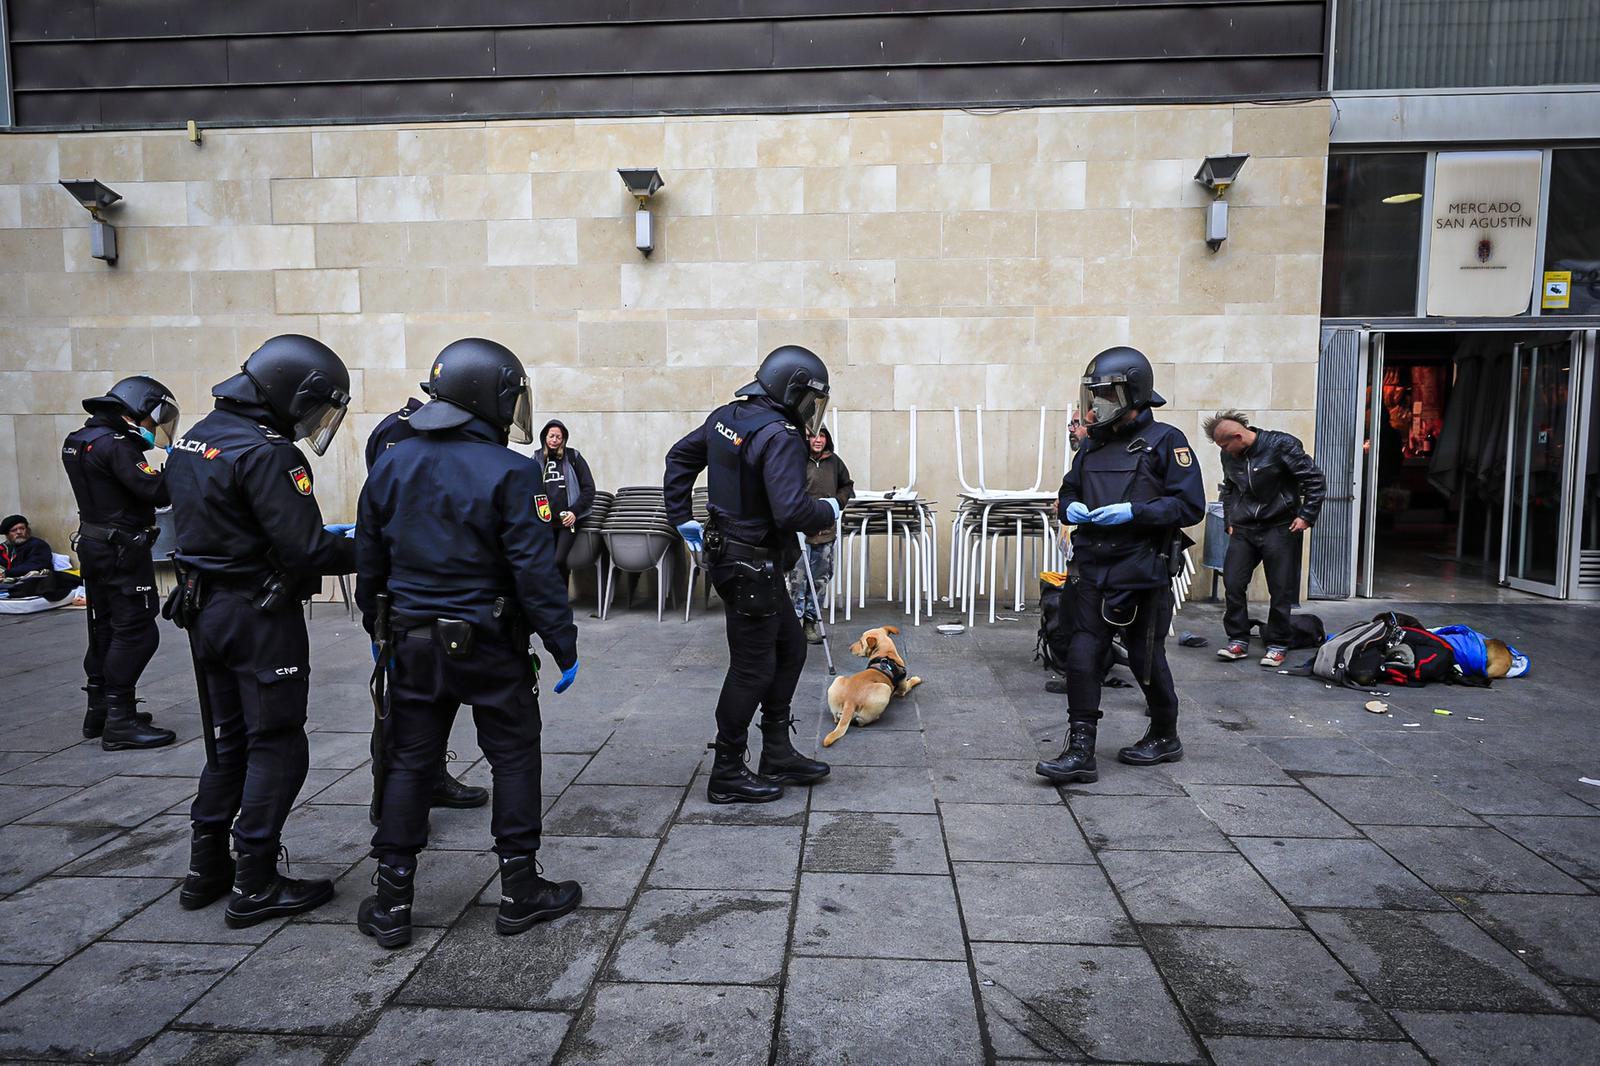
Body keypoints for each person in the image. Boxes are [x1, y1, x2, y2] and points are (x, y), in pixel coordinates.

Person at [355, 339, 582, 948]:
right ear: (489, 396)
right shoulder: (513, 470)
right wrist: (563, 642)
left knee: (408, 760)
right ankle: (519, 889)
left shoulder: (391, 462)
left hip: (412, 641)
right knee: (512, 755)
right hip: (488, 643)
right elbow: (534, 572)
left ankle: (393, 899)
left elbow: (368, 560)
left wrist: (379, 628)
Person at [164, 335, 357, 927]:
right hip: (258, 615)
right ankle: (255, 881)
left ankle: (206, 868)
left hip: (205, 611)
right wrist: (373, 544)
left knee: (227, 740)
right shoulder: (270, 452)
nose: (308, 421)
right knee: (277, 742)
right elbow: (303, 550)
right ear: (286, 391)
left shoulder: (199, 436)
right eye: (311, 405)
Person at [664, 345, 839, 804]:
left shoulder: (730, 415)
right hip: (751, 565)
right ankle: (726, 770)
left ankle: (776, 752)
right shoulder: (780, 433)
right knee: (752, 668)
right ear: (791, 389)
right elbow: (790, 511)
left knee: (790, 646)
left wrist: (682, 514)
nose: (809, 409)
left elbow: (680, 457)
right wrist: (830, 507)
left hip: (736, 558)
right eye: (808, 397)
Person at [1036, 346, 1204, 784]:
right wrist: (1069, 509)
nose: (1098, 406)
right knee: (1083, 654)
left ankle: (1165, 735)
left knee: (1147, 657)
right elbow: (1068, 491)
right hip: (1092, 565)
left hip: (1142, 567)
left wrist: (1135, 512)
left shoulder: (1167, 440)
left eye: (1107, 395)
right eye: (1095, 396)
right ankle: (1080, 748)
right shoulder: (1092, 446)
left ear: (1133, 393)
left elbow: (1190, 506)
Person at [365, 391, 487, 815]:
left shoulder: (410, 426)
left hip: (421, 598)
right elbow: (381, 526)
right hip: (409, 600)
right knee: (401, 715)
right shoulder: (401, 430)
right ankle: (390, 801)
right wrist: (374, 618)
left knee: (433, 703)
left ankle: (429, 781)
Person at [60, 376, 182, 748]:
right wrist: (179, 465)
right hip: (122, 550)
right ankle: (120, 721)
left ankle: (100, 709)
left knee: (105, 628)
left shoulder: (78, 440)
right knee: (138, 632)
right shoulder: (117, 446)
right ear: (135, 411)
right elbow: (156, 490)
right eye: (151, 419)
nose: (153, 428)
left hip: (95, 544)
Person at [1204, 410, 1326, 668]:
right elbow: (1229, 487)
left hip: (1279, 526)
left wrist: (1306, 516)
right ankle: (1238, 639)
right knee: (1234, 583)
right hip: (1244, 528)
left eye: (1226, 444)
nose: (1224, 450)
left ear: (1238, 436)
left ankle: (1278, 643)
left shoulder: (1281, 445)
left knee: (1281, 589)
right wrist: (1229, 520)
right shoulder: (1229, 454)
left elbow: (1314, 479)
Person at [786, 425, 853, 644]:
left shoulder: (834, 461)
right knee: (797, 580)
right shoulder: (796, 460)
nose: (818, 440)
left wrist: (837, 502)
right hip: (799, 533)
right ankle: (793, 623)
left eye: (822, 436)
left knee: (820, 580)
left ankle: (810, 623)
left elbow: (847, 486)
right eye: (813, 436)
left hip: (826, 532)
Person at [535, 420, 596, 582]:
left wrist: (574, 512)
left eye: (558, 437)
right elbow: (529, 489)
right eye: (551, 436)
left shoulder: (573, 456)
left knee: (559, 559)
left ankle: (561, 597)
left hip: (569, 520)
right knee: (546, 561)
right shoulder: (537, 458)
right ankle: (555, 598)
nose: (554, 440)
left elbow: (589, 489)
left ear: (563, 439)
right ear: (545, 437)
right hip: (546, 520)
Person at [1, 515, 73, 601]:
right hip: (8, 581)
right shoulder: (4, 548)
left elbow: (36, 565)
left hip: (31, 580)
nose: (19, 532)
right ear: (7, 534)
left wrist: (7, 573)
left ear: (27, 530)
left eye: (22, 528)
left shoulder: (37, 545)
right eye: (14, 530)